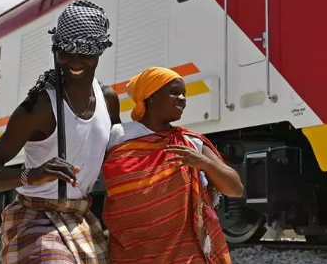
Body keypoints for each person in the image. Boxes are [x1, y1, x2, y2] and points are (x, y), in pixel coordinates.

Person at [0, 0, 120, 264]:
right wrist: (33, 175)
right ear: (56, 50)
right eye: (66, 52)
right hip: (35, 218)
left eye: (85, 52)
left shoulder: (108, 100)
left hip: (81, 217)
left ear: (100, 50)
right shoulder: (39, 107)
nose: (75, 61)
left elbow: (119, 157)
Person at [102, 66, 243, 264]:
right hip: (130, 253)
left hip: (185, 254)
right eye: (175, 92)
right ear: (151, 96)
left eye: (184, 94)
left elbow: (235, 189)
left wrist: (205, 163)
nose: (182, 99)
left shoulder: (190, 142)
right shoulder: (118, 136)